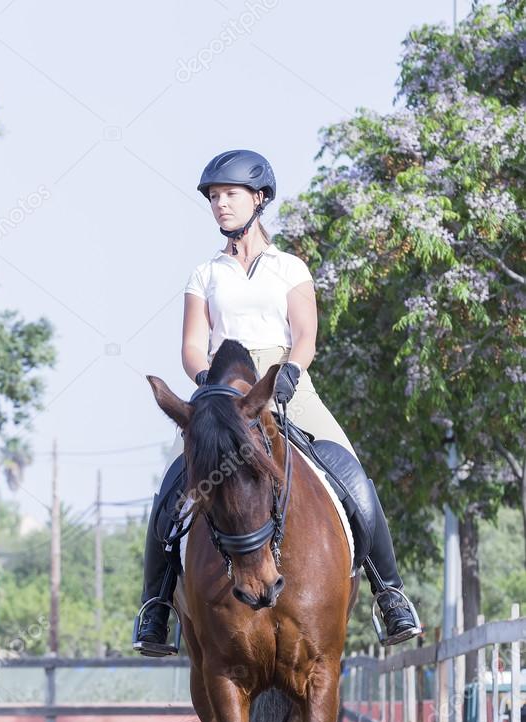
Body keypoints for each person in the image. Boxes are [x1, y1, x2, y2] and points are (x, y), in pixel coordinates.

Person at [133, 149, 421, 656]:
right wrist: (209, 384)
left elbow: (306, 334)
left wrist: (289, 373)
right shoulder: (205, 274)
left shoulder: (289, 267)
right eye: (214, 197)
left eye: (230, 194)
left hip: (286, 381)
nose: (220, 204)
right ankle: (155, 607)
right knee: (173, 488)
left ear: (258, 199)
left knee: (353, 477)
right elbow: (191, 346)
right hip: (222, 387)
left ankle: (389, 593)